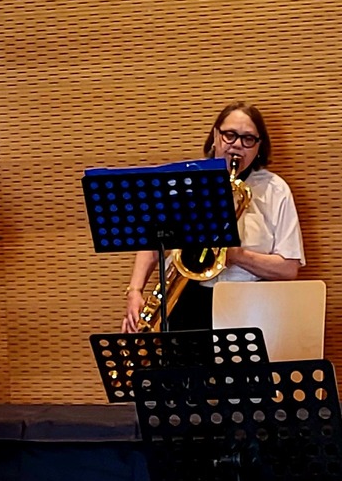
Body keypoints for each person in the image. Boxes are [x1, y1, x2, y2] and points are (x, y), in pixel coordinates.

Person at [122, 101, 305, 333]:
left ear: (259, 146)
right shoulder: (186, 182)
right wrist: (135, 291)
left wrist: (236, 255)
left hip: (249, 304)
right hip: (187, 298)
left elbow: (288, 269)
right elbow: (152, 243)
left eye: (248, 139)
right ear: (216, 136)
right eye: (230, 135)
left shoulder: (275, 190)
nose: (237, 144)